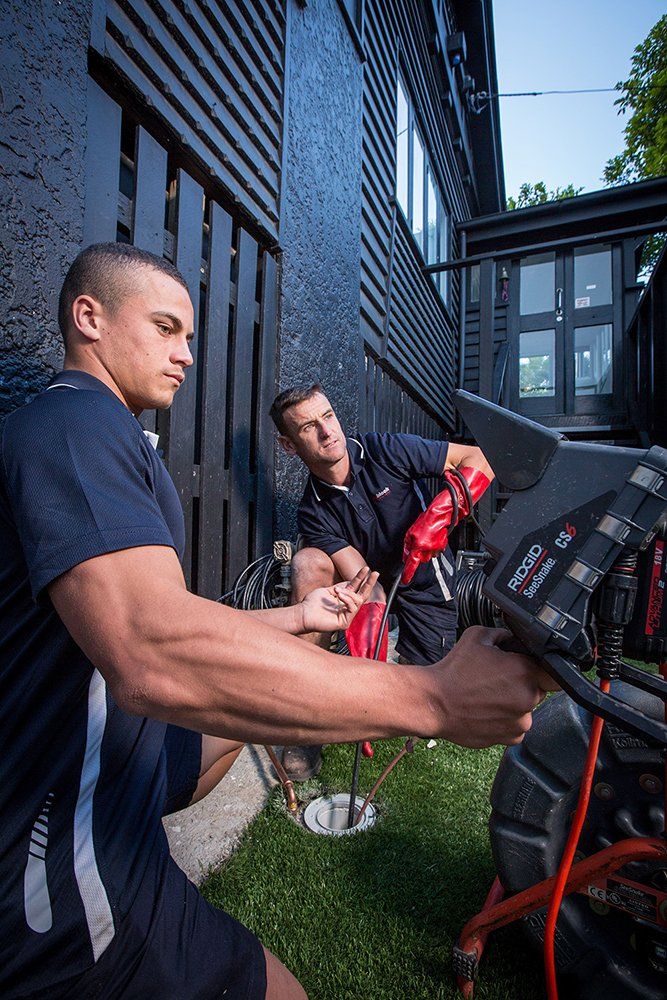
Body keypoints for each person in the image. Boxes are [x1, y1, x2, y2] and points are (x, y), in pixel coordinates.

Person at [0, 242, 555, 1000]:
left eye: (190, 336)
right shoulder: (74, 427)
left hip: (113, 775)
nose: (186, 355)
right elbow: (150, 648)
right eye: (166, 328)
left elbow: (168, 620)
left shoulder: (121, 437)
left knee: (240, 717)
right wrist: (431, 698)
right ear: (88, 317)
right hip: (62, 859)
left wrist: (298, 620)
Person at [270, 384, 492, 778]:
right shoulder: (313, 512)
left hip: (425, 571)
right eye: (308, 427)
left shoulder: (384, 449)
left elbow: (479, 458)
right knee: (308, 562)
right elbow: (361, 576)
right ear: (289, 446)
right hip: (375, 578)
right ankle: (306, 717)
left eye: (328, 417)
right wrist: (368, 636)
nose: (326, 432)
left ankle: (411, 662)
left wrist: (441, 513)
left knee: (431, 684)